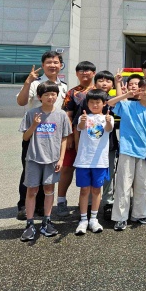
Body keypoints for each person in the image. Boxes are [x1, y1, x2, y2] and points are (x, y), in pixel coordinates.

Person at [15, 51, 68, 220]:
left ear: (60, 65)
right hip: (34, 134)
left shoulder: (63, 86)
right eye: (49, 62)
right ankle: (24, 205)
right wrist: (27, 82)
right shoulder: (34, 83)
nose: (53, 65)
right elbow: (21, 102)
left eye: (56, 62)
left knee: (49, 170)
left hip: (52, 136)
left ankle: (40, 206)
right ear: (43, 65)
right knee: (29, 170)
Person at [19, 81, 71, 241]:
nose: (50, 97)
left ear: (57, 96)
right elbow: (25, 137)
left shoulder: (61, 115)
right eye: (46, 94)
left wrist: (61, 159)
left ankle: (46, 221)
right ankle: (29, 224)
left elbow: (64, 138)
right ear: (39, 97)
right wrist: (34, 125)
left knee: (49, 189)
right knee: (32, 190)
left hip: (53, 159)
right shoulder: (31, 113)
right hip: (34, 158)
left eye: (53, 94)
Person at [108, 76, 146, 230]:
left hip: (144, 153)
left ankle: (139, 214)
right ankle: (120, 217)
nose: (145, 92)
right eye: (142, 89)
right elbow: (110, 103)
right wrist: (125, 93)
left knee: (141, 185)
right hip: (127, 150)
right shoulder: (128, 105)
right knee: (123, 184)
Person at [72, 70, 118, 220]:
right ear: (95, 83)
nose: (104, 83)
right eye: (101, 80)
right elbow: (78, 126)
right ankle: (88, 208)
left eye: (108, 81)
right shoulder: (86, 102)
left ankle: (107, 204)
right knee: (87, 185)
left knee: (107, 178)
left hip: (108, 147)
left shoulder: (111, 102)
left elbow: (110, 126)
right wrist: (77, 145)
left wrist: (119, 85)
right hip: (87, 150)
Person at [56, 60, 96, 218]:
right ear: (76, 74)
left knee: (90, 171)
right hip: (75, 136)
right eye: (81, 70)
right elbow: (68, 115)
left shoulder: (98, 91)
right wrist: (70, 136)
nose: (84, 73)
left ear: (94, 73)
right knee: (67, 168)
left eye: (88, 70)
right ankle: (61, 201)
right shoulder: (72, 93)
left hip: (93, 139)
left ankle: (85, 203)